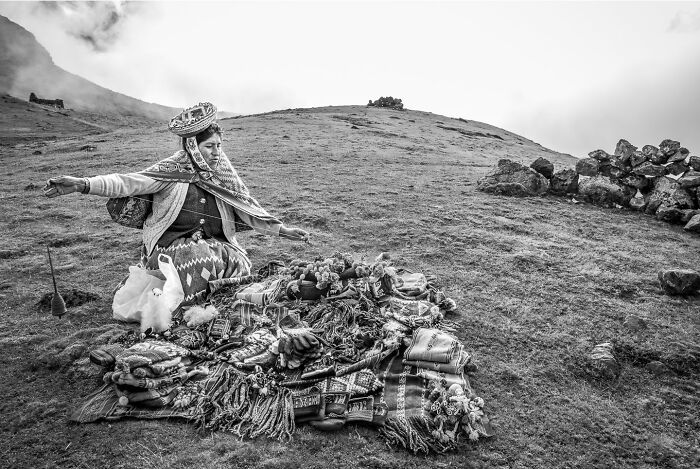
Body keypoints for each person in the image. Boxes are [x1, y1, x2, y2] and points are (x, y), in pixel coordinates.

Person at [43, 102, 309, 303]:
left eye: (219, 145)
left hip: (216, 245)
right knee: (197, 259)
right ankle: (192, 310)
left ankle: (218, 307)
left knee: (238, 262)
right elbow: (128, 182)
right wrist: (82, 184)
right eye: (210, 147)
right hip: (171, 246)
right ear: (193, 147)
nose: (217, 152)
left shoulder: (221, 177)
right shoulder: (170, 172)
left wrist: (282, 230)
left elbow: (248, 208)